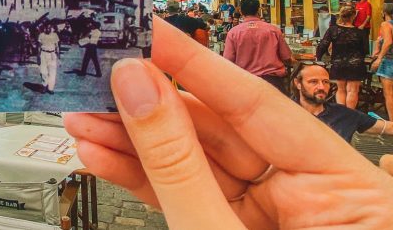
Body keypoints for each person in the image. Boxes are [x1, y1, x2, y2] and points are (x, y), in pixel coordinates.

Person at [64, 17, 393, 230]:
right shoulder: (273, 30)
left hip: (237, 88)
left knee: (244, 150)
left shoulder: (234, 32)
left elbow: (230, 61)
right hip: (260, 96)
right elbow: (285, 58)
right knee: (274, 148)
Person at [290, 62, 393, 142]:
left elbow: (388, 128)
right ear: (298, 83)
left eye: (326, 82)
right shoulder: (285, 113)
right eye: (313, 81)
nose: (322, 87)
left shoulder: (343, 114)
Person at [223, 0, 292, 93]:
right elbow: (286, 56)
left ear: (241, 12)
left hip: (245, 83)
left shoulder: (233, 33)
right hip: (273, 82)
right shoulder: (273, 30)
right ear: (258, 10)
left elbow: (228, 61)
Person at [315, 5, 366, 108]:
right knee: (352, 90)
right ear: (353, 16)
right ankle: (350, 115)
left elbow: (323, 45)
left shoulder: (333, 30)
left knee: (341, 89)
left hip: (338, 63)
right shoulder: (360, 32)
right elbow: (364, 50)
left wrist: (318, 58)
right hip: (355, 64)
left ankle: (342, 114)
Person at [371, 3, 393, 119]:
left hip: (389, 61)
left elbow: (388, 42)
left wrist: (379, 58)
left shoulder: (386, 24)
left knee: (389, 94)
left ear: (384, 13)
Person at [37, 24, 60, 94]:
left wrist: (58, 57)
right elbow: (39, 47)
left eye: (50, 28)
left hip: (52, 54)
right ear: (45, 28)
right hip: (43, 54)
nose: (48, 29)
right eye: (47, 28)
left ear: (52, 28)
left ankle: (50, 88)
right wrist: (38, 56)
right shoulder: (41, 35)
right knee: (43, 71)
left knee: (52, 72)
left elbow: (57, 46)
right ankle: (44, 86)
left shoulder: (55, 35)